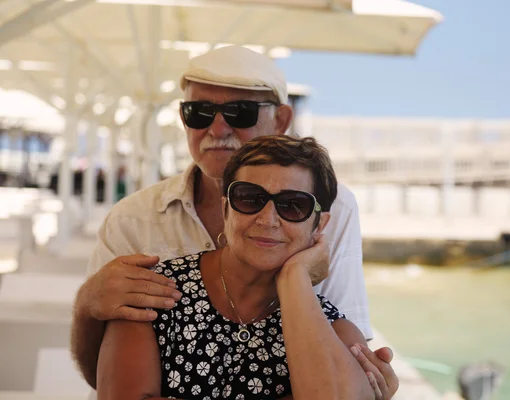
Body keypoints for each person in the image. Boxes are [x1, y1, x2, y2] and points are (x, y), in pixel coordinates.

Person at [71, 45, 398, 397]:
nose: (217, 128)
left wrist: (293, 279)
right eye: (198, 112)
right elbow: (108, 376)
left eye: (239, 112)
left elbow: (342, 367)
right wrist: (86, 305)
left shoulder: (338, 206)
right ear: (228, 209)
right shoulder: (132, 220)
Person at [98, 135, 385, 399]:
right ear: (226, 209)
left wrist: (294, 278)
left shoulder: (334, 328)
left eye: (293, 206)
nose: (268, 219)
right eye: (249, 198)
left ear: (319, 225)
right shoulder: (154, 291)